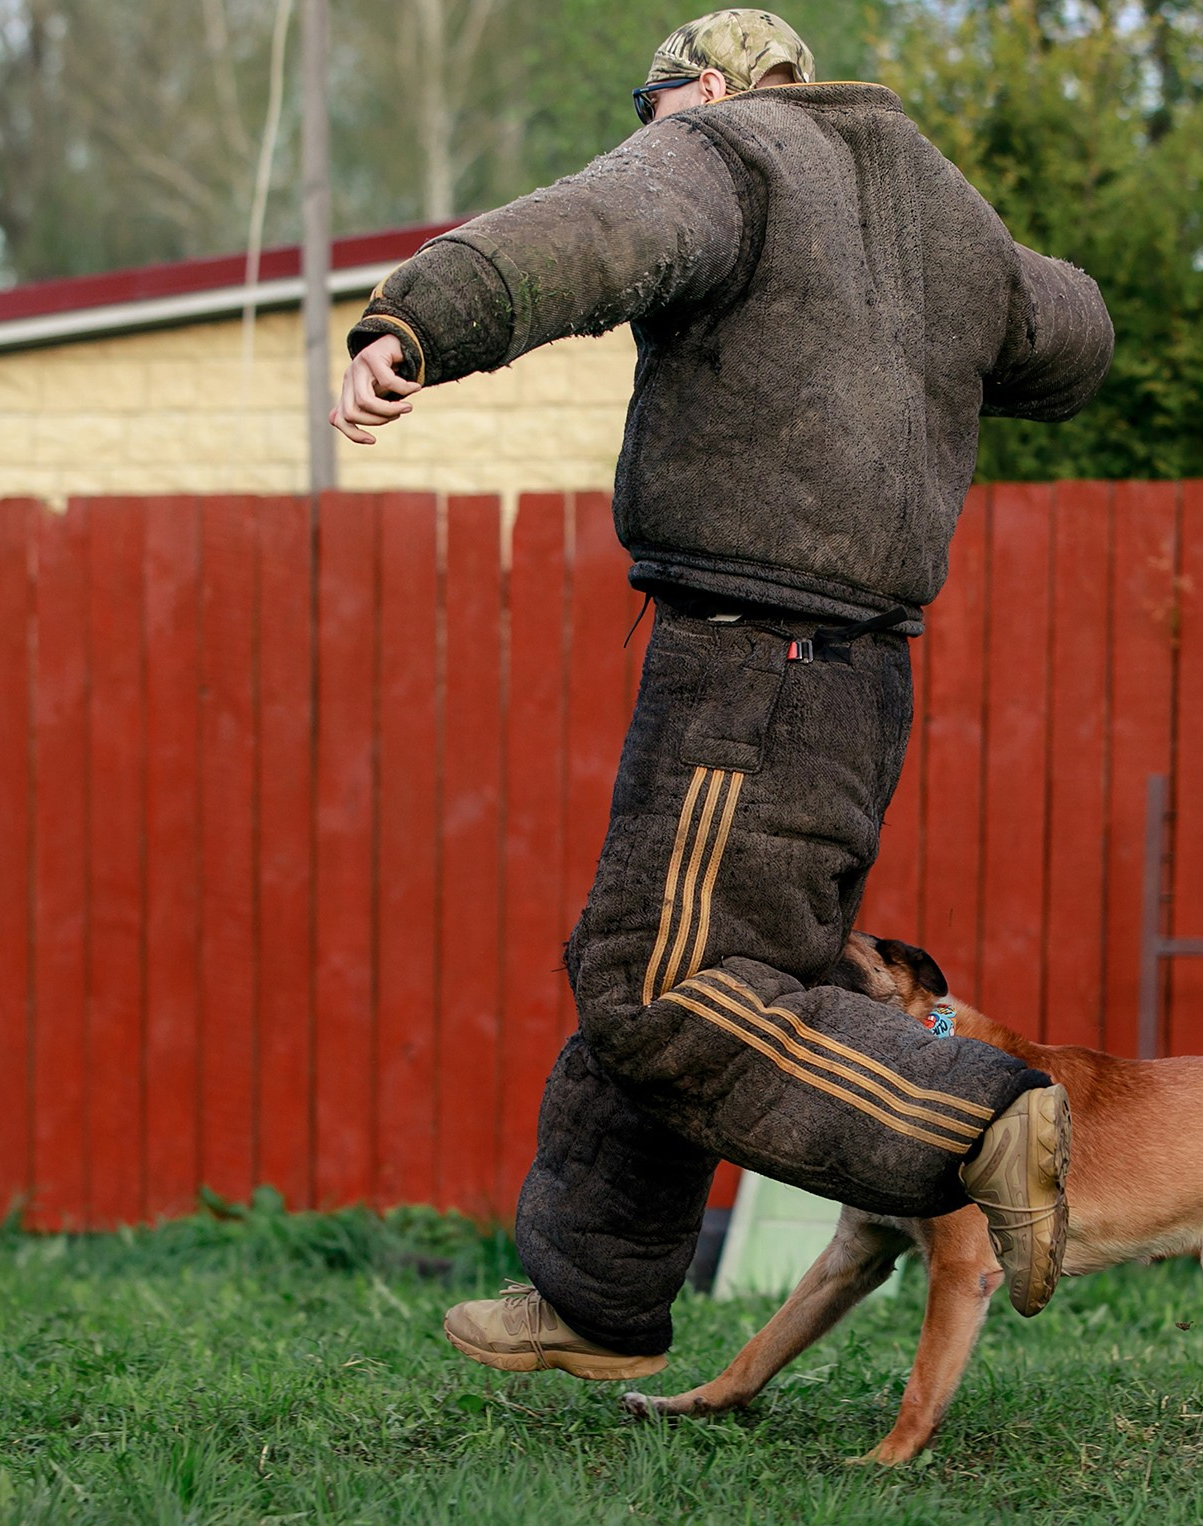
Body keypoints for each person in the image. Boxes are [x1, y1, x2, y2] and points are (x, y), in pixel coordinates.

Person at [332, 8, 1113, 1379]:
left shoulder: (726, 153)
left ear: (699, 89)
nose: (647, 142)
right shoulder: (936, 204)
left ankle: (981, 1120)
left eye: (652, 120)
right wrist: (946, 296)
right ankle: (597, 1296)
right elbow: (1071, 335)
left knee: (663, 987)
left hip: (749, 668)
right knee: (677, 962)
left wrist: (419, 319)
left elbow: (591, 232)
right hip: (861, 679)